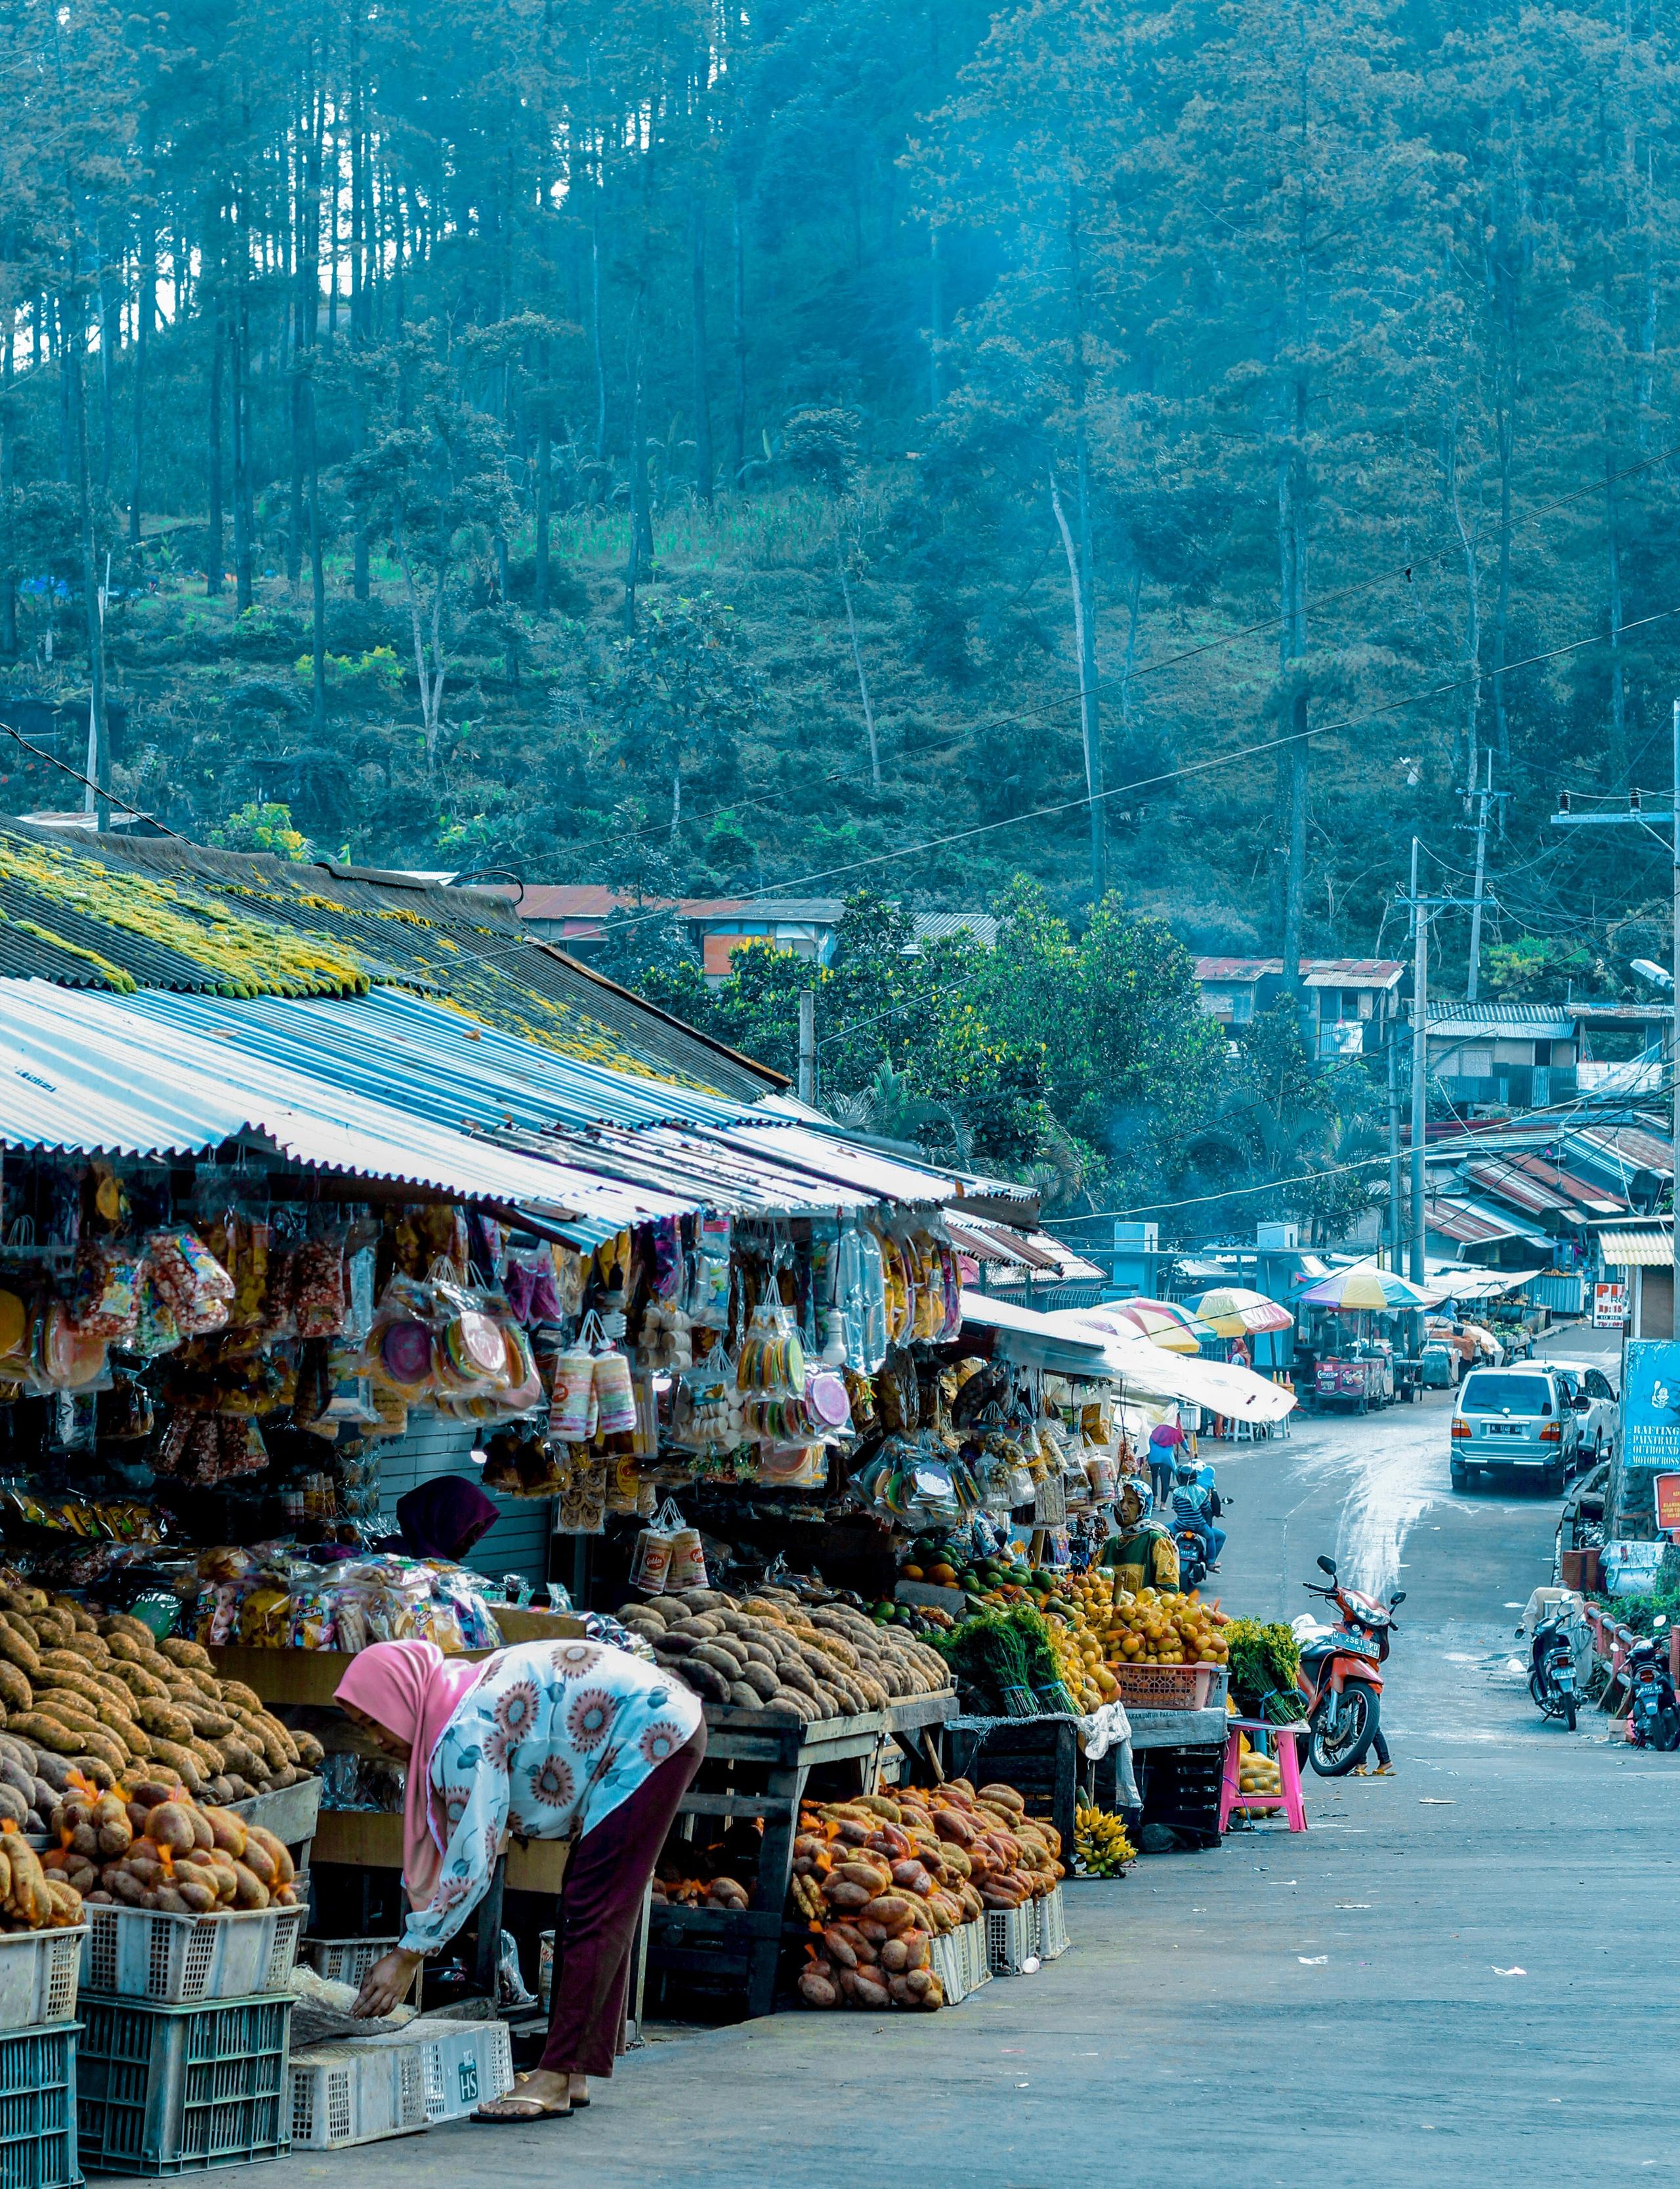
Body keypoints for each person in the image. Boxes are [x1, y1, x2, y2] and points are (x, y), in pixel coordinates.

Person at [338, 1635, 705, 2122]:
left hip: (654, 1736)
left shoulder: (463, 1730)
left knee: (595, 1906)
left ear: (403, 1697)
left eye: (374, 1719)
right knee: (586, 1905)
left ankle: (556, 2077)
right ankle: (570, 2073)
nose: (376, 1739)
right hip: (652, 1729)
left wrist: (409, 1955)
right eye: (363, 1727)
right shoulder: (457, 1698)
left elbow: (473, 1861)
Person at [377, 1478, 501, 1563]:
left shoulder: (447, 1567)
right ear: (442, 1522)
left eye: (478, 1531)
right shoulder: (394, 1561)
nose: (473, 1540)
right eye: (469, 1530)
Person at [1169, 1461, 1226, 1572]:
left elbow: (1176, 1508)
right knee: (1211, 1537)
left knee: (1163, 1532)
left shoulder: (1177, 1492)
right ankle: (1211, 1563)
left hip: (1180, 1525)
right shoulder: (1201, 1492)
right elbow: (1206, 1508)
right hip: (1199, 1526)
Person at [1147, 1417, 1185, 1509]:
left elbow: (1148, 1438)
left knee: (1154, 1478)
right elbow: (1181, 1437)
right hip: (1167, 1458)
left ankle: (1154, 1500)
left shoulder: (1154, 1422)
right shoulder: (1172, 1424)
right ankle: (1163, 1504)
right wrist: (1187, 1449)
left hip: (1153, 1455)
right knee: (1165, 1481)